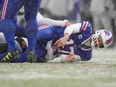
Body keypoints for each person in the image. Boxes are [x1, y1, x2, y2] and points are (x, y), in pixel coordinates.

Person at [0, 20, 113, 63]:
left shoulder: (87, 56)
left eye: (101, 44)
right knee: (35, 35)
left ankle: (3, 57)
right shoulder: (87, 27)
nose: (98, 43)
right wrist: (65, 37)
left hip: (49, 50)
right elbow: (71, 28)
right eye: (99, 40)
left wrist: (68, 60)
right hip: (52, 33)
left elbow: (64, 58)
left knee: (30, 57)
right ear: (97, 33)